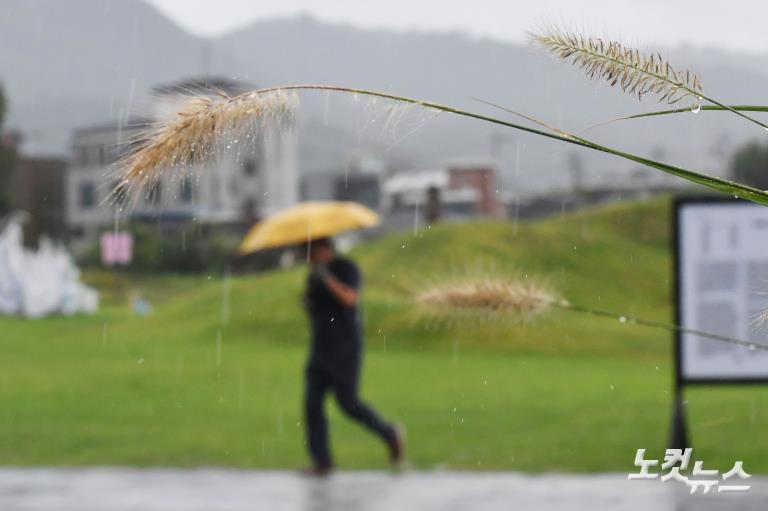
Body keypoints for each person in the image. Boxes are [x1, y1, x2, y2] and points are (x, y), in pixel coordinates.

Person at [301, 237, 403, 475]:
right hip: (320, 349)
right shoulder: (313, 277)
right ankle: (322, 461)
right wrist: (307, 301)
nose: (311, 257)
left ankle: (390, 434)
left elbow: (350, 298)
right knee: (312, 404)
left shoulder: (346, 268)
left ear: (326, 250)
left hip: (345, 348)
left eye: (314, 251)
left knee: (348, 403)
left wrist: (327, 279)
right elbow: (316, 309)